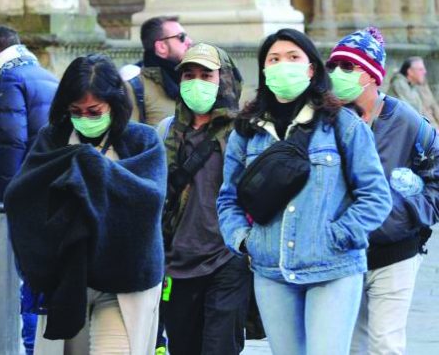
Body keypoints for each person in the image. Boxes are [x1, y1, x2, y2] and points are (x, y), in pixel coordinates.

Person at [217, 28, 392, 355]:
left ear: (311, 69)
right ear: (265, 71)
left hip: (333, 269)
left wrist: (338, 235)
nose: (284, 65)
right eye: (274, 59)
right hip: (272, 271)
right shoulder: (247, 131)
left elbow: (376, 196)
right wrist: (244, 239)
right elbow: (228, 198)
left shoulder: (342, 124)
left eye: (293, 57)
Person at [4, 54, 166, 355]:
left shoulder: (142, 141)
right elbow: (22, 197)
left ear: (114, 105)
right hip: (68, 279)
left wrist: (91, 166)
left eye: (95, 111)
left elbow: (148, 200)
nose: (85, 118)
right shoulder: (52, 140)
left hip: (125, 282)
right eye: (76, 111)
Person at [325, 28, 439, 355]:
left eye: (348, 68)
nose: (337, 75)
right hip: (344, 253)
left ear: (372, 75)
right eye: (333, 67)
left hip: (395, 252)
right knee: (351, 346)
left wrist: (405, 214)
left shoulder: (405, 120)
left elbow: (436, 174)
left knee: (385, 344)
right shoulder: (326, 120)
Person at [158, 43, 250, 355]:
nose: (196, 83)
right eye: (189, 75)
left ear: (223, 80)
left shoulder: (243, 133)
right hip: (178, 263)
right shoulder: (166, 133)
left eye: (206, 75)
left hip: (227, 260)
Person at [0, 25, 58, 355]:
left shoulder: (9, 78)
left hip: (28, 193)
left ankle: (31, 349)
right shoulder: (46, 75)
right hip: (54, 187)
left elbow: (12, 141)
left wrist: (6, 197)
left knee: (29, 279)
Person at [125, 16, 193, 126]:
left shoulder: (193, 82)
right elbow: (129, 138)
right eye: (181, 37)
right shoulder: (135, 87)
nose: (189, 42)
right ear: (161, 47)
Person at [388, 56, 439, 129]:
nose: (425, 72)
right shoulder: (399, 84)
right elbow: (416, 114)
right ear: (410, 72)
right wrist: (434, 130)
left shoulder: (412, 85)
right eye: (421, 69)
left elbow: (427, 108)